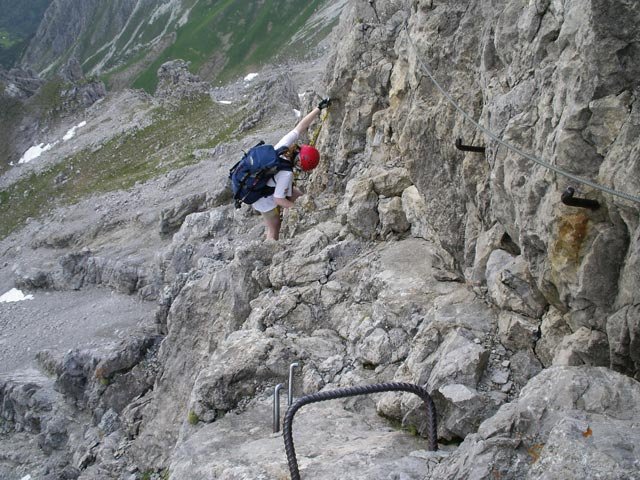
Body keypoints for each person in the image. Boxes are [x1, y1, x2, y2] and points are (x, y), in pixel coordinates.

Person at [252, 98, 330, 240]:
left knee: (299, 196)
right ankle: (270, 247)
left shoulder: (285, 146)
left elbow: (301, 126)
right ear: (299, 163)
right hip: (261, 197)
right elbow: (279, 199)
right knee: (275, 225)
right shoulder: (286, 174)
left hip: (265, 183)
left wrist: (319, 108)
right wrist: (296, 208)